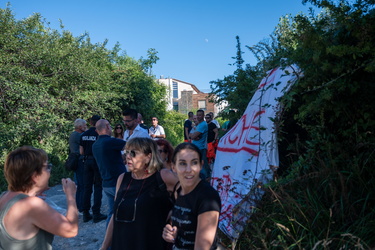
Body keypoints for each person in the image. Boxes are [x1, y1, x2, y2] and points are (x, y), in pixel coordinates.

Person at [100, 137, 178, 250]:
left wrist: (171, 219)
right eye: (126, 152)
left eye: (133, 153)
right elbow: (115, 216)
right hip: (121, 243)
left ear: (148, 157)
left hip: (150, 244)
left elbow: (188, 199)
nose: (128, 156)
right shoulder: (122, 179)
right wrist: (104, 247)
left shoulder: (163, 176)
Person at [0, 146, 78, 249]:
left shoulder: (4, 196)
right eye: (47, 167)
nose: (49, 171)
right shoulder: (31, 205)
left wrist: (32, 194)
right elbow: (71, 230)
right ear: (34, 176)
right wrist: (70, 195)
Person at [162, 143, 221, 249]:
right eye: (183, 163)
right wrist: (170, 231)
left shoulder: (207, 197)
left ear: (201, 165)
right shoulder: (178, 190)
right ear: (173, 167)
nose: (189, 169)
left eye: (194, 163)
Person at [93, 119, 126, 225]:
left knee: (112, 213)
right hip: (118, 182)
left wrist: (122, 158)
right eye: (110, 126)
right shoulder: (110, 141)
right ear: (107, 127)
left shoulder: (95, 144)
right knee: (125, 212)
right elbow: (132, 145)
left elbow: (109, 158)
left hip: (106, 183)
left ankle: (109, 239)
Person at [79, 115, 107, 223]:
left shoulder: (83, 135)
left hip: (86, 161)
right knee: (98, 187)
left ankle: (86, 213)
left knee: (87, 187)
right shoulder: (99, 134)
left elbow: (81, 151)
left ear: (90, 123)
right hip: (97, 161)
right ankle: (96, 213)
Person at [68, 118, 87, 212]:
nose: (86, 127)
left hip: (77, 160)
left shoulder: (73, 134)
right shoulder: (78, 135)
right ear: (80, 127)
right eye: (85, 126)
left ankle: (79, 205)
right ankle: (81, 205)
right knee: (82, 184)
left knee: (80, 184)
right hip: (79, 161)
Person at [188, 110, 209, 179]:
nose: (198, 116)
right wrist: (194, 136)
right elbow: (190, 135)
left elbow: (193, 136)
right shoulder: (198, 125)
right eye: (197, 115)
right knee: (197, 164)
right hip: (196, 147)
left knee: (202, 165)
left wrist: (194, 136)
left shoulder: (203, 124)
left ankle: (206, 179)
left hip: (201, 147)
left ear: (203, 116)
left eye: (200, 115)